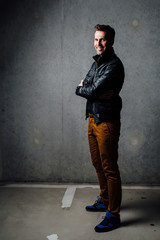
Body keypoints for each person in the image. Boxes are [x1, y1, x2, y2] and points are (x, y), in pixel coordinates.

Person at [75, 24, 124, 232]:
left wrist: (85, 88)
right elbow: (88, 88)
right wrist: (84, 88)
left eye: (102, 39)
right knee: (97, 162)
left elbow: (91, 88)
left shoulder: (113, 65)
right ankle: (105, 199)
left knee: (109, 166)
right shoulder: (96, 63)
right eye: (96, 39)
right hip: (92, 118)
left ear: (111, 41)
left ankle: (113, 214)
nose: (99, 43)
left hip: (106, 122)